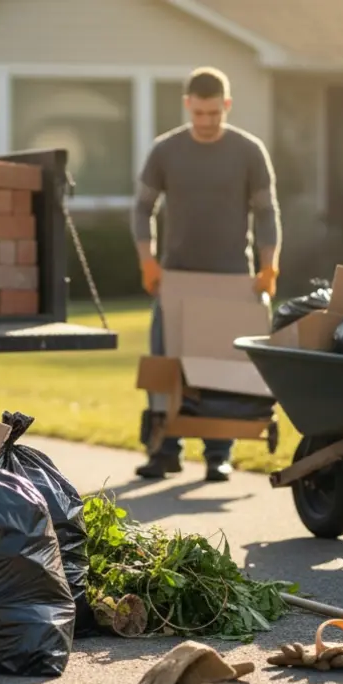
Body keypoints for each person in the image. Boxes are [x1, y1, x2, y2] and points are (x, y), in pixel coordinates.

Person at [130, 66, 282, 482]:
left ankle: (219, 452)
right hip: (176, 276)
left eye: (214, 113)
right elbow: (143, 208)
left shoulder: (249, 151)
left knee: (222, 366)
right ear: (188, 107)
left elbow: (267, 213)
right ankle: (163, 452)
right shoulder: (166, 151)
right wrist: (148, 259)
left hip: (232, 276)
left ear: (227, 106)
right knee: (166, 364)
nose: (207, 122)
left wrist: (270, 265)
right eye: (199, 114)